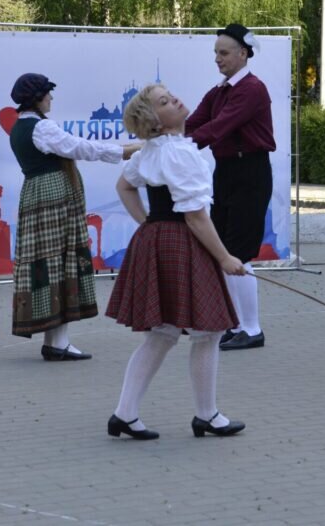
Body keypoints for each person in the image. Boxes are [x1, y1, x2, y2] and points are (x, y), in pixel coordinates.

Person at [105, 84, 246, 440]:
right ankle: (207, 415)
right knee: (208, 331)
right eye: (164, 102)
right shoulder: (176, 153)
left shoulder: (154, 151)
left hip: (160, 239)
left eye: (171, 96)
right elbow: (196, 216)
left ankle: (125, 414)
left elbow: (124, 186)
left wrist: (147, 223)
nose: (176, 100)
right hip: (182, 241)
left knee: (163, 333)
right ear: (154, 122)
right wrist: (225, 257)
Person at [8, 73, 139, 361]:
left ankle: (56, 341)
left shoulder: (20, 126)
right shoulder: (41, 128)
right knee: (61, 261)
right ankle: (58, 342)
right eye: (47, 94)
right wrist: (127, 150)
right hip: (53, 197)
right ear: (37, 98)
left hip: (37, 195)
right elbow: (81, 147)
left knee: (51, 263)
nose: (51, 98)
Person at [185, 23, 275, 351]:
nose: (218, 59)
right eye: (215, 53)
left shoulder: (252, 89)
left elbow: (219, 128)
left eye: (223, 53)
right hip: (225, 171)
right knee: (222, 251)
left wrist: (175, 146)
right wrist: (164, 136)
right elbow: (194, 123)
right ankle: (234, 323)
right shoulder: (219, 91)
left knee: (238, 252)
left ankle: (251, 328)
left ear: (242, 53)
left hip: (250, 172)